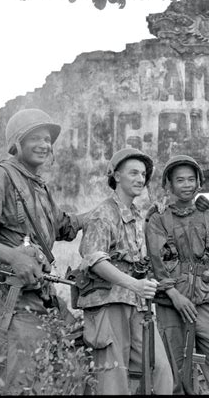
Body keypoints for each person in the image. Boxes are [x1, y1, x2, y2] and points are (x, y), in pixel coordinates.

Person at [0, 108, 86, 394]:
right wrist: (13, 256)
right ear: (18, 142)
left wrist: (103, 211)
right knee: (15, 381)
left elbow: (64, 226)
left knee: (74, 358)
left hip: (38, 296)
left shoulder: (39, 186)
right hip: (5, 298)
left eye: (47, 139)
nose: (44, 145)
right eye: (35, 137)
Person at [145, 155, 209, 395]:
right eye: (180, 180)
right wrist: (174, 295)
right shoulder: (158, 218)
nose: (187, 184)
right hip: (171, 304)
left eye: (191, 179)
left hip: (205, 304)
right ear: (169, 185)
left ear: (199, 182)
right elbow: (157, 262)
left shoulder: (208, 215)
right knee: (174, 371)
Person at [77, 147, 173, 395]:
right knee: (113, 380)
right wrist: (134, 284)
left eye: (143, 174)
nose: (140, 179)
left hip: (137, 304)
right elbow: (95, 259)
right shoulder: (103, 213)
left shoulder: (137, 215)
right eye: (133, 173)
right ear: (116, 176)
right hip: (109, 302)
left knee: (159, 369)